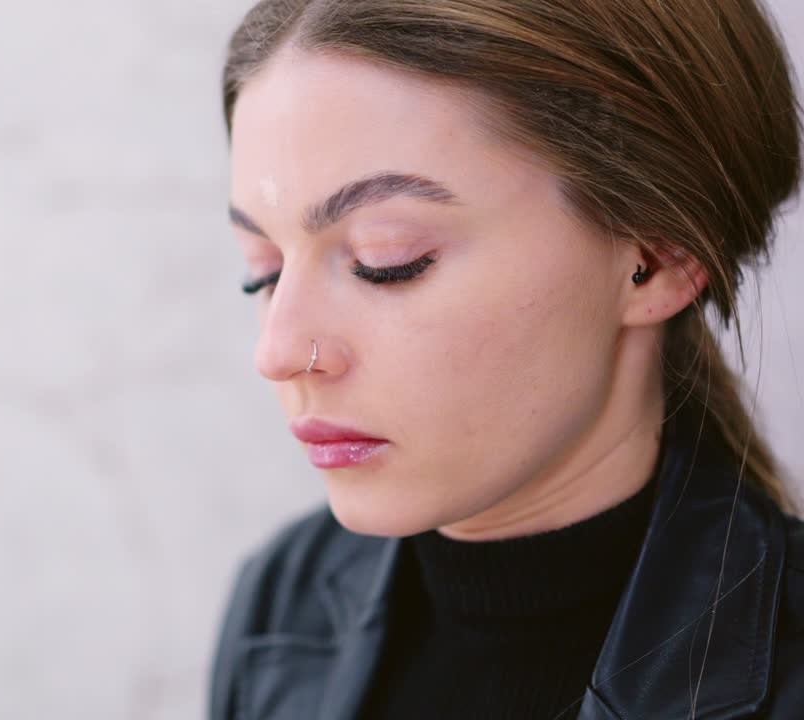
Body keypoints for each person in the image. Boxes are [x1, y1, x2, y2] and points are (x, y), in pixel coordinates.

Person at [207, 1, 804, 718]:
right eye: (262, 270)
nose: (277, 351)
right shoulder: (283, 608)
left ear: (657, 256)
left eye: (387, 261)